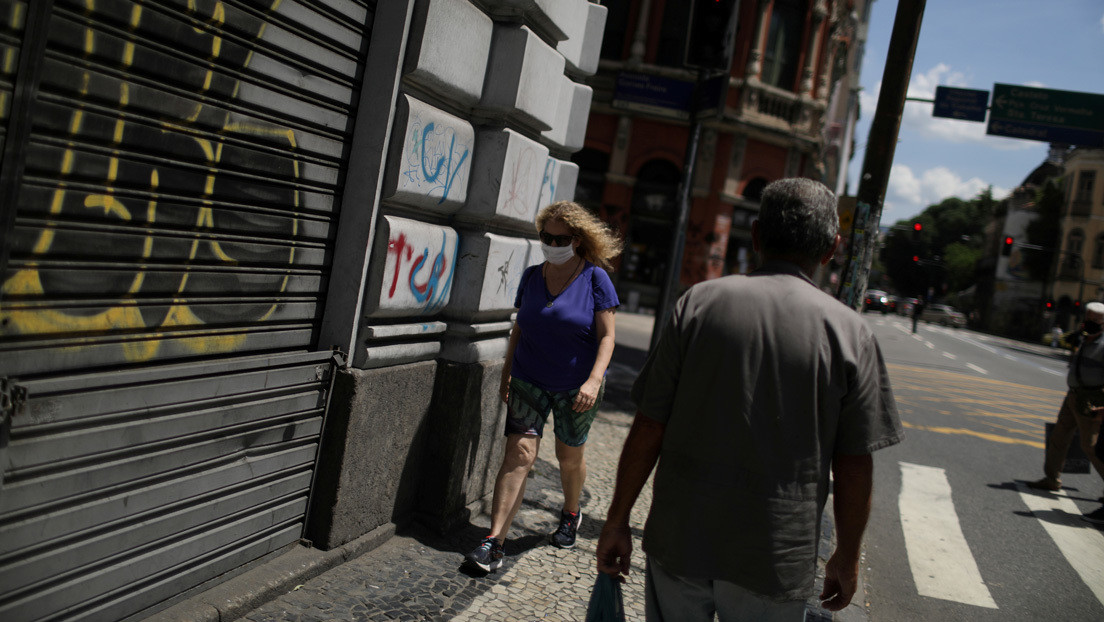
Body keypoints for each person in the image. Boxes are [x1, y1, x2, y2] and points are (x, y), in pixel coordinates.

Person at [595, 178, 903, 620]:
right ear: (831, 249)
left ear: (756, 236)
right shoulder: (851, 333)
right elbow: (854, 464)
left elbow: (649, 424)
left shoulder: (698, 304)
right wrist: (846, 555)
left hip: (681, 537)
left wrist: (617, 520)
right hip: (775, 554)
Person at [464, 201, 622, 573]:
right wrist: (507, 372)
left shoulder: (595, 279)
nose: (551, 244)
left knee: (569, 457)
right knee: (518, 455)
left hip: (576, 387)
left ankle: (571, 513)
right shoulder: (533, 276)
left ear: (578, 240)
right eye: (545, 237)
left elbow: (607, 337)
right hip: (528, 379)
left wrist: (593, 380)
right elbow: (519, 328)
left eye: (560, 239)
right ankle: (494, 542)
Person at [1026, 301, 1104, 525]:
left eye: (1094, 319)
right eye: (1087, 317)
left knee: (1091, 446)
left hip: (1091, 399)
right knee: (1059, 436)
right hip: (1073, 395)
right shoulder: (1082, 339)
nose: (1088, 322)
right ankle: (1052, 478)